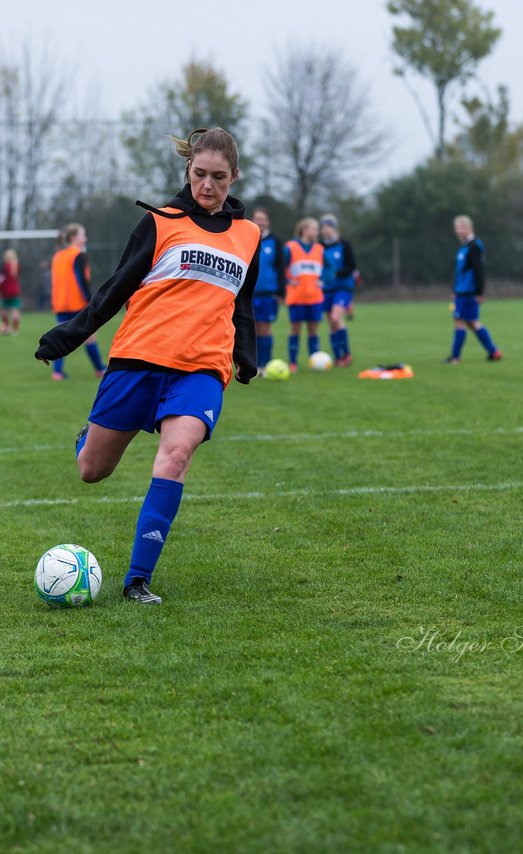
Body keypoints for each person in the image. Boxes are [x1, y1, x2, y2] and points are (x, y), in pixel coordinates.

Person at [35, 127, 261, 605]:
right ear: (187, 170)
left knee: (176, 455)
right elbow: (115, 288)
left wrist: (246, 357)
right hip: (139, 359)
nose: (208, 186)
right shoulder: (160, 222)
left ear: (235, 177)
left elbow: (242, 302)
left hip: (201, 369)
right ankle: (87, 437)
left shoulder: (249, 236)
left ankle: (137, 579)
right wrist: (69, 335)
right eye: (199, 174)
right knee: (92, 470)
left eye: (219, 178)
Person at [48, 223, 106, 381]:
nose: (85, 238)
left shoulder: (58, 256)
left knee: (61, 337)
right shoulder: (78, 255)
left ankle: (57, 372)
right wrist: (91, 300)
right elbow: (82, 281)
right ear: (74, 238)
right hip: (77, 303)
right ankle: (100, 369)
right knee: (90, 336)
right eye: (83, 235)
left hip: (60, 304)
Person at [446, 215, 503, 363]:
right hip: (461, 292)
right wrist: (455, 290)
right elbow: (460, 273)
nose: (458, 231)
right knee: (472, 322)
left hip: (468, 293)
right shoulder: (463, 249)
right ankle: (493, 352)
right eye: (457, 228)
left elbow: (479, 271)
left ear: (469, 228)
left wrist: (479, 292)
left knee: (459, 321)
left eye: (461, 228)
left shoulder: (474, 247)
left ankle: (455, 357)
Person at [282, 217, 325, 372]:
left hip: (315, 297)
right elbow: (280, 268)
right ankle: (293, 362)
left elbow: (330, 269)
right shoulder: (290, 248)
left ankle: (315, 361)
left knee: (313, 331)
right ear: (304, 230)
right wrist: (287, 280)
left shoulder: (319, 249)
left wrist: (324, 279)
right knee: (295, 330)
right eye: (314, 229)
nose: (316, 232)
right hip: (296, 298)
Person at [249, 207, 286, 369]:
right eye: (257, 219)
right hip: (250, 293)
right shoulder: (247, 238)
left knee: (265, 329)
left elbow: (281, 267)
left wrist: (281, 291)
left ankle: (265, 364)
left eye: (263, 219)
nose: (260, 222)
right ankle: (252, 365)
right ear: (252, 220)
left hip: (268, 293)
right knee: (251, 330)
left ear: (268, 221)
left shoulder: (276, 242)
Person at [320, 214, 358, 367]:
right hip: (327, 289)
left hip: (343, 287)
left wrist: (335, 273)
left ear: (335, 228)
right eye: (323, 228)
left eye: (329, 227)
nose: (326, 230)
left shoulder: (344, 244)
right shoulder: (320, 247)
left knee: (336, 318)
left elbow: (351, 266)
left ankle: (346, 354)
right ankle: (338, 356)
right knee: (331, 323)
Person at [0, 248, 22, 334]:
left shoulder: (4, 266)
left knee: (3, 310)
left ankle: (6, 327)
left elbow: (0, 280)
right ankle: (15, 330)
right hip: (15, 291)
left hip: (5, 291)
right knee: (15, 310)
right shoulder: (17, 266)